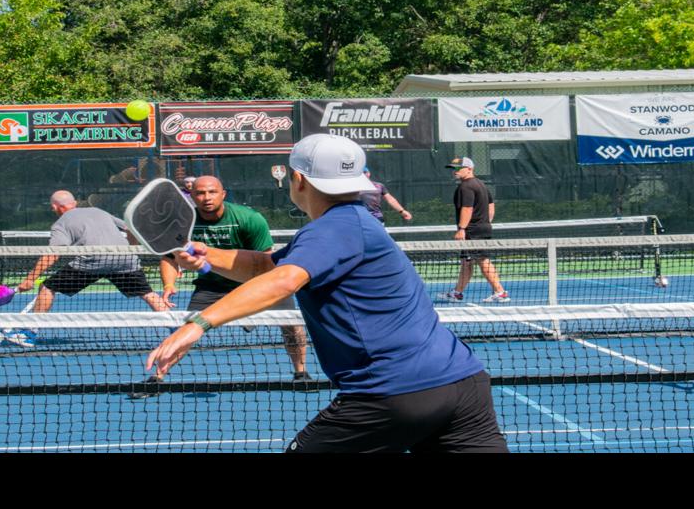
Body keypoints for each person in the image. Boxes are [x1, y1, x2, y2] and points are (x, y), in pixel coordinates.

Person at [146, 134, 509, 453]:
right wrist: (208, 256)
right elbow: (264, 266)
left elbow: (283, 281)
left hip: (391, 392)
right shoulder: (352, 221)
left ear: (298, 179)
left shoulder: (333, 228)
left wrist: (196, 324)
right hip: (463, 384)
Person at [151, 175, 311, 386]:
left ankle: (301, 372)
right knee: (187, 328)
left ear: (223, 194)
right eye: (200, 193)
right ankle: (157, 377)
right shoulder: (183, 223)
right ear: (192, 196)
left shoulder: (249, 219)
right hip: (211, 286)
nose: (207, 197)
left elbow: (266, 262)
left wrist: (254, 299)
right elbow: (170, 258)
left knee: (291, 323)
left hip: (255, 283)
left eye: (212, 192)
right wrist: (169, 285)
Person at [5, 191, 170, 347]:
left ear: (54, 207)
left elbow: (53, 254)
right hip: (124, 259)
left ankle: (29, 333)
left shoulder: (60, 223)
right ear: (75, 203)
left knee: (47, 287)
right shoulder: (98, 211)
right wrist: (131, 248)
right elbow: (130, 228)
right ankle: (176, 327)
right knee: (147, 293)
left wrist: (30, 279)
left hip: (92, 262)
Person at [440, 156, 508, 303]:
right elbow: (491, 205)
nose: (455, 171)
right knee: (467, 261)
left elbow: (467, 208)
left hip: (472, 231)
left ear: (469, 169)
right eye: (453, 168)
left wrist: (462, 229)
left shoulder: (465, 187)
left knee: (481, 260)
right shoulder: (481, 184)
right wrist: (486, 222)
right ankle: (457, 293)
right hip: (482, 228)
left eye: (459, 168)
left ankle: (500, 291)